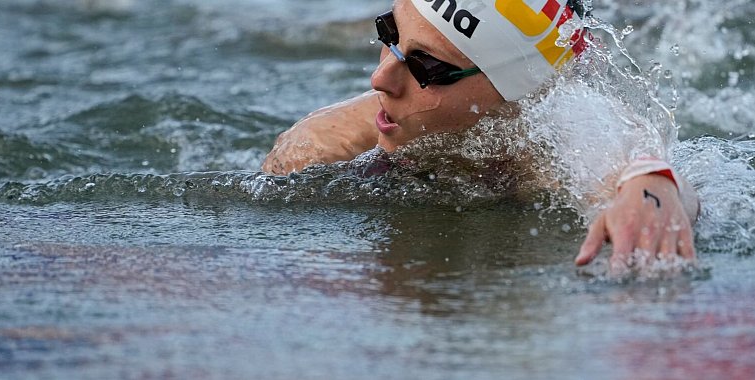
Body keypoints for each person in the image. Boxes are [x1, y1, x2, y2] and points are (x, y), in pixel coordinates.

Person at [261, 0, 701, 272]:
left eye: (425, 67)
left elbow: (640, 169)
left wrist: (652, 188)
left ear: (513, 97)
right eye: (389, 33)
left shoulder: (548, 144)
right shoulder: (322, 145)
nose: (380, 78)